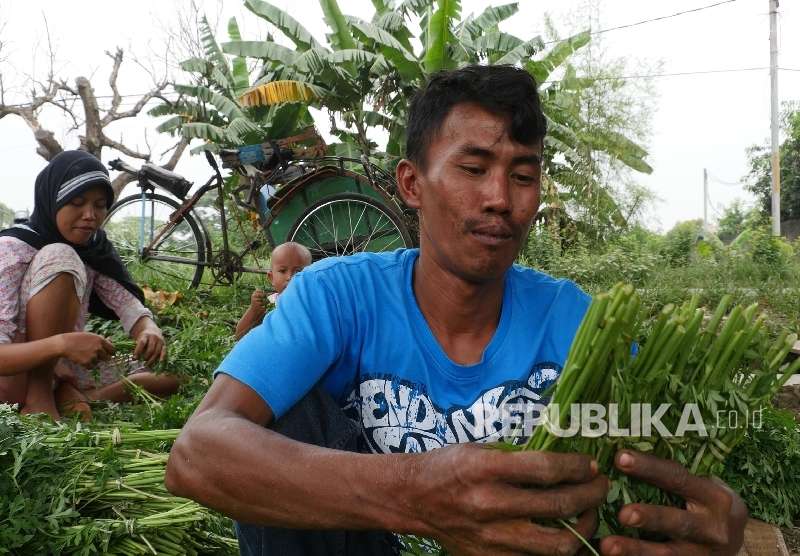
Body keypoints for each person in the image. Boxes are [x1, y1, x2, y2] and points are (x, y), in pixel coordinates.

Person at [165, 65, 747, 556]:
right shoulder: (335, 295)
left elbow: (668, 454)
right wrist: (417, 494)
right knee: (280, 419)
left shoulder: (579, 323)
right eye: (473, 169)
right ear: (412, 184)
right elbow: (198, 452)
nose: (501, 198)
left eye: (523, 174)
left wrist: (711, 515)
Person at [0, 150, 183, 421]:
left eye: (99, 205)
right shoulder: (12, 250)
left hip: (61, 365)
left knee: (172, 375)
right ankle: (39, 398)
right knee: (60, 254)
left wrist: (149, 329)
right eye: (76, 202)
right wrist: (60, 345)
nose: (89, 215)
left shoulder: (91, 250)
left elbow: (127, 304)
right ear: (52, 200)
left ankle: (78, 395)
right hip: (13, 376)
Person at [235, 242, 312, 341]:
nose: (290, 277)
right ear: (272, 278)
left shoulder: (311, 302)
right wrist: (254, 310)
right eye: (283, 271)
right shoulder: (269, 303)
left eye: (297, 272)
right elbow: (240, 336)